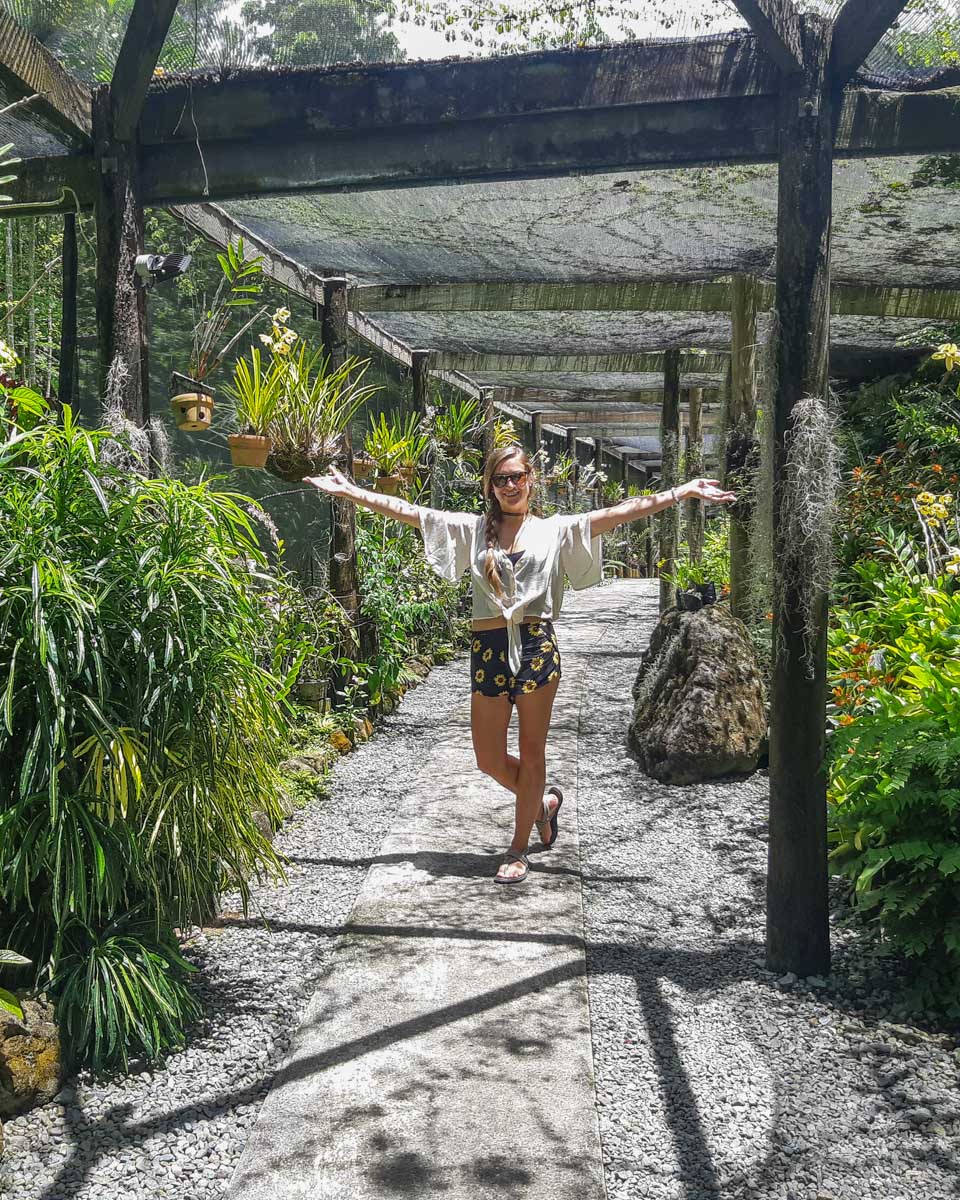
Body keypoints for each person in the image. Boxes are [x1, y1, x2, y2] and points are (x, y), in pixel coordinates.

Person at [305, 446, 734, 885]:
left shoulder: (554, 530)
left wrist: (681, 491)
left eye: (517, 477)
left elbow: (621, 512)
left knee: (532, 754)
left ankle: (518, 848)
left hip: (535, 647)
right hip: (488, 646)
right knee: (487, 757)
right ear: (490, 487)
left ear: (531, 479)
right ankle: (544, 805)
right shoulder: (473, 530)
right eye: (501, 479)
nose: (510, 485)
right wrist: (351, 492)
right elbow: (411, 512)